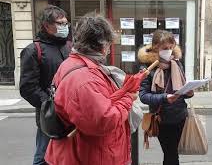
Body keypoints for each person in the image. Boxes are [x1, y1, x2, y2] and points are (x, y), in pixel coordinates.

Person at [44, 13, 145, 165]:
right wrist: (128, 98)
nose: (109, 48)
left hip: (86, 153)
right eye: (109, 44)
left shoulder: (76, 64)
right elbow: (102, 120)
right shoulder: (85, 79)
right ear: (102, 45)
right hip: (88, 156)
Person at [19, 5, 70, 165]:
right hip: (49, 114)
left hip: (70, 112)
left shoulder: (68, 47)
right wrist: (50, 105)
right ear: (47, 25)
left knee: (66, 155)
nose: (65, 27)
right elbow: (28, 87)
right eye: (60, 23)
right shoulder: (33, 50)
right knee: (43, 156)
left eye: (66, 23)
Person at [138, 30, 194, 165]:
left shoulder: (176, 63)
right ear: (155, 47)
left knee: (172, 154)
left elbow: (181, 88)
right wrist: (164, 97)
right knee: (171, 154)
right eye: (164, 48)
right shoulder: (148, 68)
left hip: (180, 116)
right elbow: (143, 96)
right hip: (161, 119)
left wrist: (188, 93)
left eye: (170, 47)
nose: (168, 51)